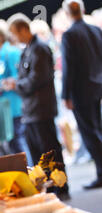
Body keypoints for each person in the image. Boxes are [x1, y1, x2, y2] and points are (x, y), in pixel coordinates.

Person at [4, 13, 70, 199]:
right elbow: (28, 79)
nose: (14, 39)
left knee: (50, 152)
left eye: (15, 34)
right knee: (38, 155)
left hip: (41, 109)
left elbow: (37, 79)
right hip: (31, 110)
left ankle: (61, 187)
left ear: (24, 30)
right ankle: (48, 189)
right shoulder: (28, 49)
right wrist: (17, 83)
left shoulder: (39, 49)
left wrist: (16, 84)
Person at [61, 0, 102, 189]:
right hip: (97, 87)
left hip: (81, 91)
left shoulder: (69, 34)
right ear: (83, 10)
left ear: (67, 13)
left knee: (90, 134)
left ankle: (101, 173)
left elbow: (69, 67)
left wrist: (66, 95)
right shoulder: (95, 29)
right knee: (98, 130)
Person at [0, 22, 27, 155]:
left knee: (17, 141)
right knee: (10, 143)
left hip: (14, 106)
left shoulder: (11, 53)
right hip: (3, 107)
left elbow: (18, 77)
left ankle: (29, 171)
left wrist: (2, 87)